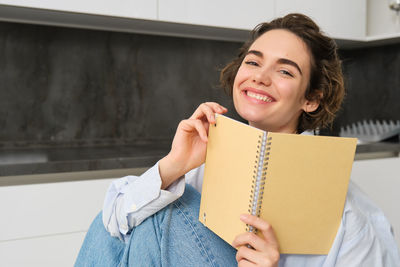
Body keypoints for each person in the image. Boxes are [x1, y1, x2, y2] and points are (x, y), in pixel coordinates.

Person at [75, 13, 400, 266]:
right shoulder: (204, 157)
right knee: (125, 220)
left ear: (311, 99)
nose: (260, 76)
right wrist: (174, 166)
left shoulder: (352, 218)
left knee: (166, 212)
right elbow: (112, 223)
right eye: (253, 62)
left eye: (285, 71)